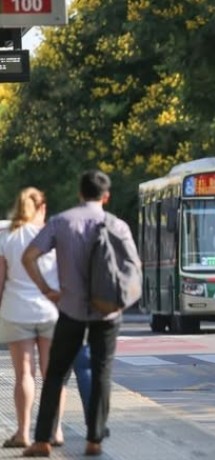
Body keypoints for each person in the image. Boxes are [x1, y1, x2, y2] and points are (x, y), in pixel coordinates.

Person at [21, 170, 135, 457]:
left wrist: (47, 290)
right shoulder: (118, 225)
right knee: (101, 372)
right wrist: (121, 302)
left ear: (80, 193)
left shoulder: (60, 222)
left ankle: (42, 440)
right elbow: (134, 267)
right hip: (107, 312)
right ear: (106, 197)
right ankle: (94, 439)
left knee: (55, 373)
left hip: (70, 310)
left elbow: (29, 257)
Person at [0, 188, 68, 449]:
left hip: (16, 310)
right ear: (42, 207)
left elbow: (1, 280)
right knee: (53, 374)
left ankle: (23, 433)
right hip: (51, 309)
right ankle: (55, 430)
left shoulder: (7, 236)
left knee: (24, 374)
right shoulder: (51, 234)